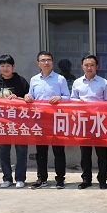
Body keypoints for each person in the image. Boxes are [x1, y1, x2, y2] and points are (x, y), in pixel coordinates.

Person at [24, 51, 70, 189]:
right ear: (38, 63)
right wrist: (27, 96)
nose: (46, 63)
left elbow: (68, 97)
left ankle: (60, 178)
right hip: (39, 120)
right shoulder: (34, 80)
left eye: (49, 60)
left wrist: (60, 98)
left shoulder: (60, 79)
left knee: (58, 151)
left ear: (52, 62)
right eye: (43, 60)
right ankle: (41, 178)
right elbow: (31, 96)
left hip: (56, 119)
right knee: (41, 151)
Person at [0, 54, 30, 188]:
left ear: (13, 67)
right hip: (2, 123)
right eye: (2, 66)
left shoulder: (21, 81)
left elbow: (29, 100)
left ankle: (20, 178)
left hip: (19, 122)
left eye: (8, 66)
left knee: (21, 151)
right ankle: (7, 178)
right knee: (3, 151)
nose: (5, 68)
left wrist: (19, 98)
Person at [70, 55, 107, 190]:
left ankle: (102, 179)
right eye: (86, 65)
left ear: (97, 67)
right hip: (83, 121)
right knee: (85, 153)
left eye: (92, 65)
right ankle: (86, 179)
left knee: (102, 153)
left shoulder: (103, 82)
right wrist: (79, 102)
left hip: (100, 121)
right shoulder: (77, 83)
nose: (89, 68)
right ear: (82, 67)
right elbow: (72, 100)